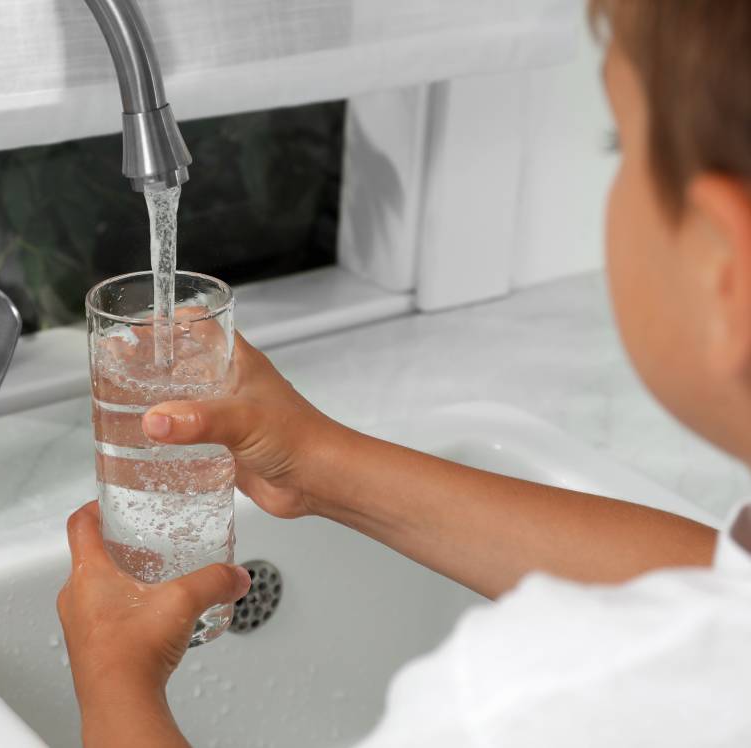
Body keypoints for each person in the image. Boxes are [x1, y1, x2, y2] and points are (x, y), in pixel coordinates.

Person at [56, 1, 751, 745]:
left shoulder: (529, 700)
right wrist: (316, 463)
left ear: (723, 264)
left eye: (618, 145)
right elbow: (711, 591)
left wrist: (113, 681)